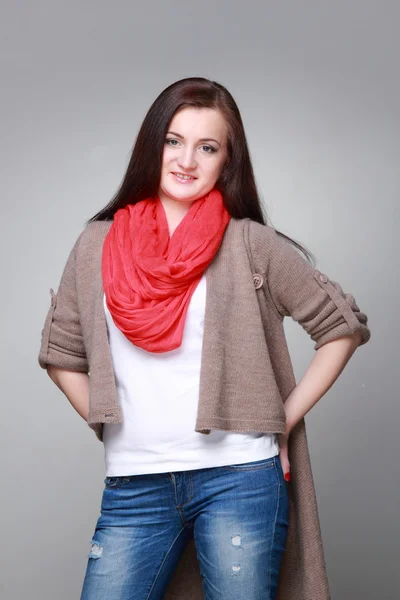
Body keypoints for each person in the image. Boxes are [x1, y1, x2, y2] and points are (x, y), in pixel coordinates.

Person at [38, 77, 371, 600]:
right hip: (135, 484)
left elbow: (341, 328)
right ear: (153, 145)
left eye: (207, 147)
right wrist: (107, 418)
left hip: (239, 478)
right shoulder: (95, 245)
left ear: (226, 161)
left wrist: (279, 421)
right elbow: (61, 355)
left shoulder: (248, 244)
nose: (186, 160)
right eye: (174, 141)